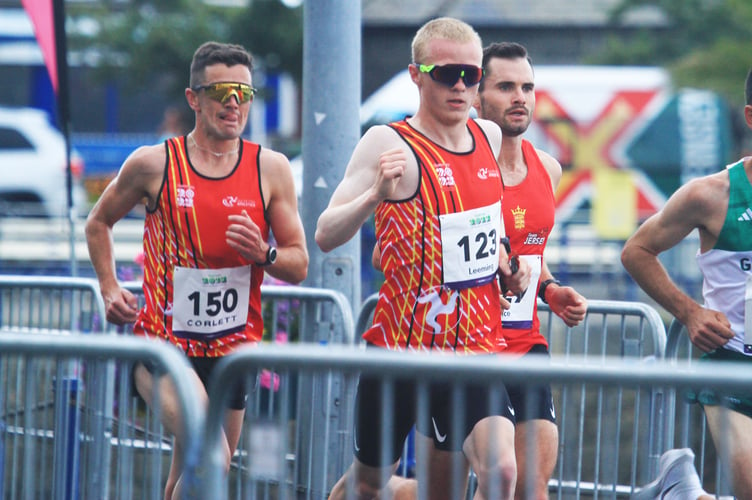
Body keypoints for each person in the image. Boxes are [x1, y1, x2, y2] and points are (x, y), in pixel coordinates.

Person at [316, 17, 531, 500]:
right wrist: (374, 196)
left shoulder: (489, 139)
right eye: (444, 73)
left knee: (500, 472)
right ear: (416, 74)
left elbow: (481, 227)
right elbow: (325, 234)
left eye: (470, 75)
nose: (459, 86)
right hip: (402, 350)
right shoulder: (387, 143)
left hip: (475, 350)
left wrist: (502, 263)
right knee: (369, 483)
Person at [85, 41, 308, 500]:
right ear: (194, 99)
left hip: (233, 352)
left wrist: (263, 254)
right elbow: (98, 223)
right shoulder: (154, 163)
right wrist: (108, 287)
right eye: (222, 91)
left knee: (188, 476)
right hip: (164, 349)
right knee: (212, 458)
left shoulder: (271, 169)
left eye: (243, 93)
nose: (233, 102)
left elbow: (299, 262)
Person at [387, 41, 589, 500]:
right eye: (505, 87)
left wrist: (551, 289)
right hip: (465, 346)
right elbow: (394, 254)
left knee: (529, 490)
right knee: (447, 492)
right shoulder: (454, 166)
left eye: (528, 87)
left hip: (525, 344)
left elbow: (527, 254)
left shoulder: (549, 168)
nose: (520, 97)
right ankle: (380, 490)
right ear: (477, 96)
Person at [621, 68, 752, 500]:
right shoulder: (710, 195)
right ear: (751, 118)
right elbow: (637, 250)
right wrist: (689, 311)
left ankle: (682, 493)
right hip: (733, 364)